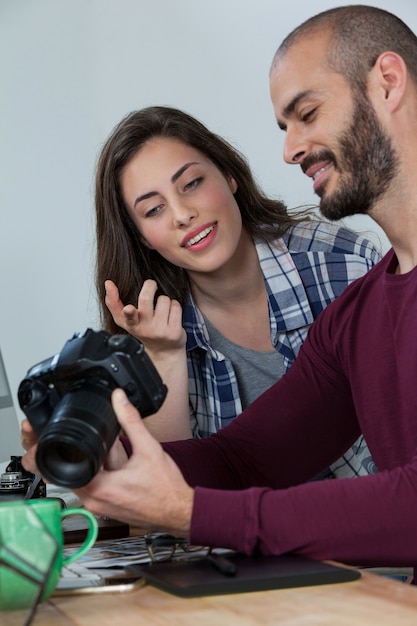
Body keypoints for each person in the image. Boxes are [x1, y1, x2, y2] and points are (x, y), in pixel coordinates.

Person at [22, 4, 417, 573]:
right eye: (285, 127)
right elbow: (243, 460)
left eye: (306, 113)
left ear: (387, 82)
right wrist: (100, 452)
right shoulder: (357, 317)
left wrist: (191, 512)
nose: (290, 149)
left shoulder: (341, 272)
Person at [94, 105, 379, 479]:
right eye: (153, 209)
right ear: (142, 238)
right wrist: (164, 357)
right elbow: (168, 494)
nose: (182, 214)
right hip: (238, 537)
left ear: (229, 176)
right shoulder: (151, 333)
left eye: (191, 184)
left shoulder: (343, 264)